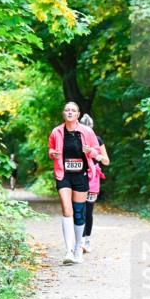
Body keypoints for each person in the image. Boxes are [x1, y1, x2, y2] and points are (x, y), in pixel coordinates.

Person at [48, 102, 103, 264]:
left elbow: (97, 151)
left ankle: (78, 247)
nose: (70, 112)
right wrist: (52, 153)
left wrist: (90, 151)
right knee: (67, 210)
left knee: (79, 212)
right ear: (63, 113)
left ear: (78, 114)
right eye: (67, 110)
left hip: (81, 175)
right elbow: (51, 150)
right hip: (63, 174)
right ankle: (69, 251)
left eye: (73, 110)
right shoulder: (57, 131)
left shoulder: (87, 131)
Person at [79, 113, 109, 253]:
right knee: (79, 210)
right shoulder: (75, 139)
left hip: (92, 179)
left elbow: (106, 161)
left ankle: (87, 241)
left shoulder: (98, 140)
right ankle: (80, 241)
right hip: (78, 177)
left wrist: (96, 155)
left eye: (88, 128)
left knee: (88, 210)